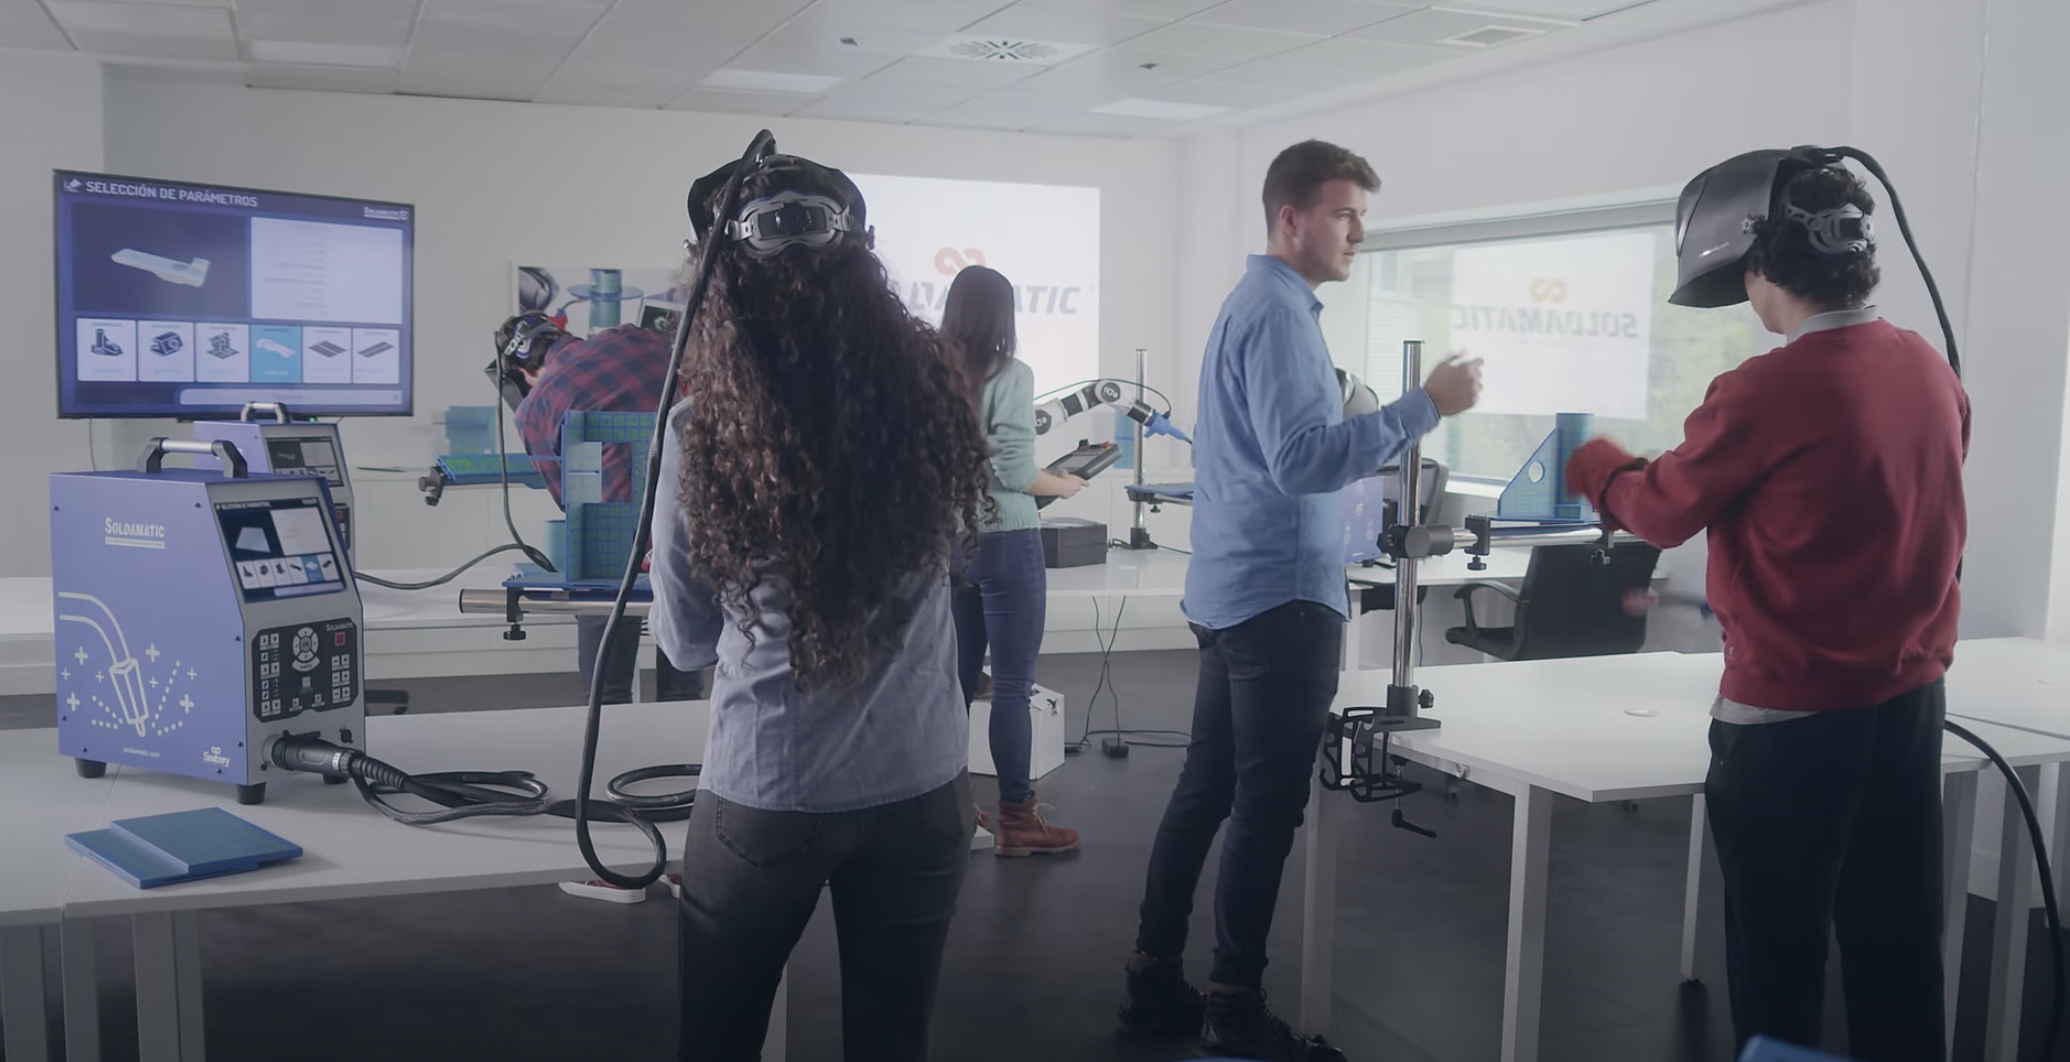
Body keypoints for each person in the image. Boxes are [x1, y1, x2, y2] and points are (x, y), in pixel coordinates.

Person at [1565, 159, 1967, 1062]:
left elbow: (1661, 511)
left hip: (1789, 721)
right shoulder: (1928, 370)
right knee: (1898, 947)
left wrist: (1598, 467)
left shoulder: (1768, 387)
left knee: (1778, 959)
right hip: (1908, 709)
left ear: (1758, 266)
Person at [1117, 139, 1483, 1062]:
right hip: (1279, 604)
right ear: (1292, 218)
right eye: (1345, 213)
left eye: (1363, 214)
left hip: (1239, 592)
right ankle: (1233, 1006)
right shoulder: (1280, 315)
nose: (1360, 232)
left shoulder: (1259, 305)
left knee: (1204, 797)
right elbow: (1303, 459)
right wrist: (1423, 405)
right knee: (1263, 811)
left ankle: (1153, 980)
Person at [648, 152, 993, 1061]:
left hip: (772, 795)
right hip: (924, 784)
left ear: (718, 282)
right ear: (865, 267)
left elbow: (683, 642)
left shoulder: (701, 431)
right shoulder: (930, 400)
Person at [941, 264, 1085, 856]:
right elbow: (1015, 471)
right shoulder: (1012, 374)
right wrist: (1061, 485)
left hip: (951, 543)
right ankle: (1018, 822)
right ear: (1004, 315)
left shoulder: (931, 374)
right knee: (1012, 688)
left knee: (954, 683)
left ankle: (948, 812)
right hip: (1006, 540)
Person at [496, 313, 709, 707]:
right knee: (685, 690)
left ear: (524, 372)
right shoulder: (635, 338)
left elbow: (570, 502)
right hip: (697, 531)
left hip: (615, 559)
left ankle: (608, 733)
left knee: (605, 693)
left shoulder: (534, 409)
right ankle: (681, 731)